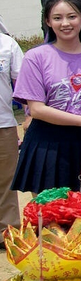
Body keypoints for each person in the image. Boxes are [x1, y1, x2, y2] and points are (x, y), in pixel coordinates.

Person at [13, 0, 81, 196]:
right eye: (57, 18)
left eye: (72, 16)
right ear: (48, 22)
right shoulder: (36, 57)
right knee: (49, 218)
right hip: (45, 143)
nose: (65, 23)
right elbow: (37, 109)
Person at [0, 31, 24, 235]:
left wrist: (29, 115)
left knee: (5, 180)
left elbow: (23, 84)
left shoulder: (7, 44)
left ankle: (6, 231)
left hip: (3, 124)